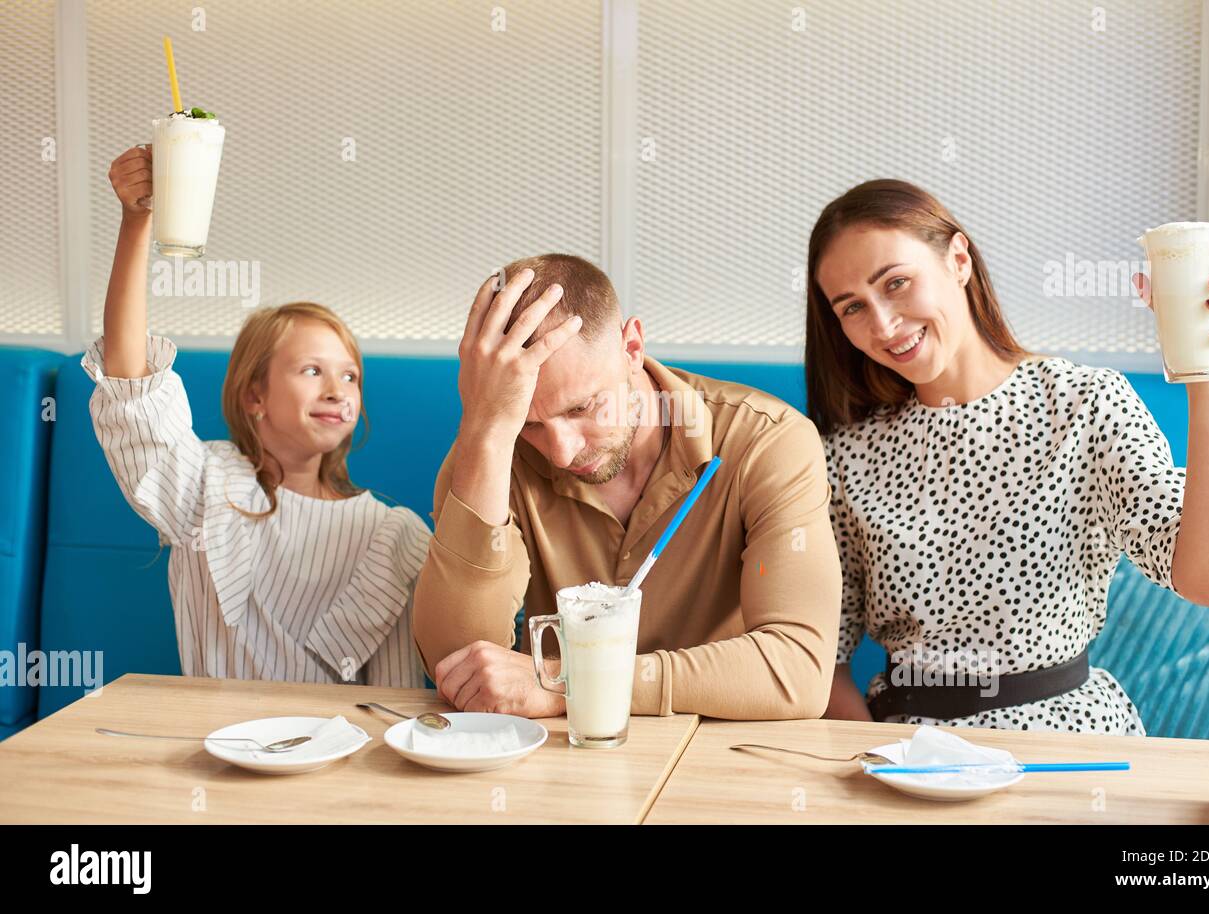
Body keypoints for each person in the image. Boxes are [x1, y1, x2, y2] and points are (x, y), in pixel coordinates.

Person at [808, 179, 1209, 733]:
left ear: (958, 259)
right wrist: (876, 756)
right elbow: (822, 661)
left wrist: (1207, 371)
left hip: (1069, 739)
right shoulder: (844, 456)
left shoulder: (1085, 404)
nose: (883, 325)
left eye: (896, 283)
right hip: (909, 752)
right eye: (852, 307)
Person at [413, 253, 842, 719]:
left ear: (631, 347)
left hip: (722, 755)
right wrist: (490, 430)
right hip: (564, 758)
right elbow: (457, 669)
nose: (561, 451)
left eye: (582, 408)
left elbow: (797, 671)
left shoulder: (767, 440)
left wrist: (570, 681)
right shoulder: (492, 448)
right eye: (531, 425)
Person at [85, 144, 430, 686]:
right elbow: (131, 386)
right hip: (214, 756)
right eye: (312, 371)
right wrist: (137, 221)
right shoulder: (205, 490)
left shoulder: (393, 536)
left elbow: (394, 701)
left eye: (351, 376)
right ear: (255, 397)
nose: (338, 389)